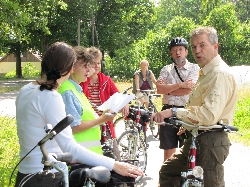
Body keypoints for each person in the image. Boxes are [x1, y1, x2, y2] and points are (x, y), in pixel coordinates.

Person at [15, 42, 143, 187]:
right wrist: (114, 164)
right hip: (47, 177)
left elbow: (37, 135)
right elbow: (69, 146)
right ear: (70, 68)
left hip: (25, 175)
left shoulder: (26, 90)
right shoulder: (50, 96)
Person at [151, 26, 238, 187]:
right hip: (197, 135)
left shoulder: (219, 74)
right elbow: (194, 104)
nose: (197, 50)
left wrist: (174, 111)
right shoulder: (206, 73)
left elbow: (209, 115)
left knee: (209, 183)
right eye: (194, 46)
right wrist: (187, 124)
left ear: (215, 46)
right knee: (169, 171)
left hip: (211, 141)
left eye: (202, 45)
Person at [79, 47, 129, 159]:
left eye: (98, 63)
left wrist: (124, 103)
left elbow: (117, 95)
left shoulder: (106, 80)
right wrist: (87, 78)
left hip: (105, 125)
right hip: (88, 125)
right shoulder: (82, 81)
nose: (97, 66)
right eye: (93, 63)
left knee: (115, 157)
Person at [156, 37, 199, 162]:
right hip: (167, 110)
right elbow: (159, 89)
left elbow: (189, 90)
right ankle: (168, 180)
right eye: (174, 50)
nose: (177, 53)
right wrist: (180, 85)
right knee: (168, 151)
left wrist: (168, 89)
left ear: (186, 52)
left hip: (186, 110)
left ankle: (185, 179)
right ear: (171, 53)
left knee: (187, 149)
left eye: (180, 49)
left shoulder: (194, 68)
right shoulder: (166, 69)